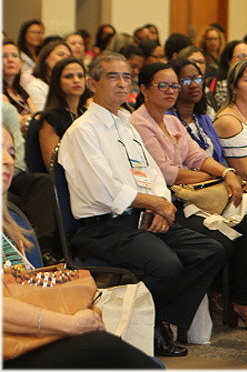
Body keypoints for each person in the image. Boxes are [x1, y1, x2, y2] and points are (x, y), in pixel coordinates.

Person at [58, 53, 226, 357]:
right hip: (104, 226)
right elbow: (104, 190)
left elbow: (152, 174)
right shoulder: (83, 131)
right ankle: (152, 328)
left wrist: (160, 204)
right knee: (167, 267)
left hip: (142, 215)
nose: (122, 83)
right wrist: (156, 204)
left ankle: (155, 319)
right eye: (113, 77)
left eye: (127, 77)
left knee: (209, 251)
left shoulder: (125, 123)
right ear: (92, 83)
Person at [2, 124, 161, 369]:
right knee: (104, 348)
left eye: (11, 152)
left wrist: (78, 317)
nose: (8, 160)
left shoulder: (10, 227)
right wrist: (70, 324)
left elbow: (25, 291)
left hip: (26, 336)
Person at [130, 62, 247, 331]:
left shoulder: (171, 120)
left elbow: (197, 156)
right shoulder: (138, 124)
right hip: (166, 203)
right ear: (144, 89)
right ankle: (183, 311)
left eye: (174, 85)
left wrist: (226, 172)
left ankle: (241, 299)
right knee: (222, 242)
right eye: (163, 85)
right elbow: (167, 174)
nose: (171, 91)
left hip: (196, 196)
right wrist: (213, 177)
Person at [166, 58, 225, 164]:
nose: (194, 85)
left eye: (197, 79)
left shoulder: (203, 117)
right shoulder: (167, 120)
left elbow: (219, 156)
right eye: (186, 81)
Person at [38, 58, 90, 172]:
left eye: (80, 76)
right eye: (69, 76)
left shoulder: (86, 113)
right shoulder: (51, 118)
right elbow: (52, 165)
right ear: (58, 81)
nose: (76, 80)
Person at [22, 39, 71, 112]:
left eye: (68, 57)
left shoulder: (69, 85)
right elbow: (44, 116)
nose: (65, 59)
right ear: (46, 58)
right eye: (60, 55)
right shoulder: (36, 86)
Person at [2, 41, 36, 129]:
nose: (10, 60)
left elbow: (37, 116)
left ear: (21, 63)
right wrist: (30, 119)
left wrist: (30, 119)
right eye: (4, 56)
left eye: (14, 56)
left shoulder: (21, 91)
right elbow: (15, 121)